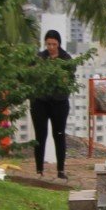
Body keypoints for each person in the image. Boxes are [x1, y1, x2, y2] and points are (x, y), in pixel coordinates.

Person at [30, 29, 73, 180]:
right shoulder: (39, 58)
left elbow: (68, 81)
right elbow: (31, 76)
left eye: (54, 44)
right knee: (40, 136)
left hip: (59, 103)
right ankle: (39, 169)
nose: (51, 47)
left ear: (59, 44)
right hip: (40, 102)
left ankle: (60, 169)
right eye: (48, 44)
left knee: (59, 135)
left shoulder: (66, 59)